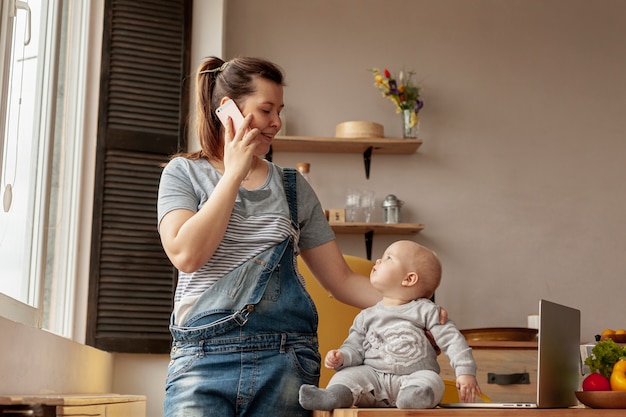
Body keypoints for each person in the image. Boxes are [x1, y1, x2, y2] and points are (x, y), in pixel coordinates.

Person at [157, 56, 447, 417]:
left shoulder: (294, 188)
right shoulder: (183, 173)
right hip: (200, 361)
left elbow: (341, 280)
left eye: (280, 110)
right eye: (266, 110)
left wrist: (413, 312)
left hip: (285, 362)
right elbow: (187, 255)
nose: (277, 122)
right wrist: (233, 174)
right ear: (226, 110)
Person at [299, 240, 480, 410]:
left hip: (414, 376)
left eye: (388, 258)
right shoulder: (365, 316)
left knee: (432, 380)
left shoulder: (427, 311)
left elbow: (453, 341)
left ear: (408, 279)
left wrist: (465, 372)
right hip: (373, 378)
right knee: (346, 376)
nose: (378, 260)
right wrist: (342, 357)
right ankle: (334, 396)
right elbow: (354, 348)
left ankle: (414, 399)